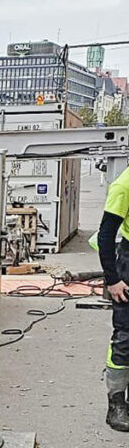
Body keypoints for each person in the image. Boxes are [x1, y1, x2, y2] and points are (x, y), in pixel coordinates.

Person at [98, 166, 129, 431]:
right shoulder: (124, 184)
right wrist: (113, 279)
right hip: (128, 266)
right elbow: (106, 235)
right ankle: (117, 403)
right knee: (125, 337)